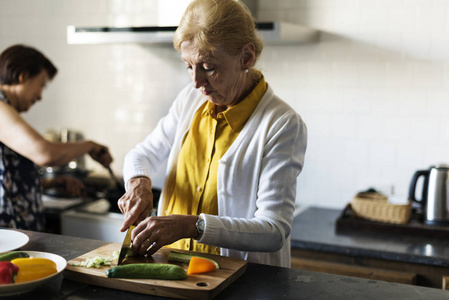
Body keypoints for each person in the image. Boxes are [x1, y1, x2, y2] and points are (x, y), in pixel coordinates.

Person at [118, 0, 307, 268]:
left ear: (246, 57)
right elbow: (143, 154)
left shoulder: (282, 124)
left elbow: (273, 231)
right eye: (188, 65)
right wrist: (138, 182)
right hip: (175, 270)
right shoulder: (190, 99)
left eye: (208, 67)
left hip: (241, 281)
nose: (196, 82)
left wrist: (193, 225)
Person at [0, 44, 113, 231]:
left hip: (14, 234)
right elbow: (45, 153)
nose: (40, 96)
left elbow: (8, 179)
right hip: (7, 238)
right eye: (41, 85)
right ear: (24, 75)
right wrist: (89, 145)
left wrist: (50, 184)